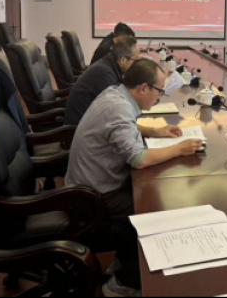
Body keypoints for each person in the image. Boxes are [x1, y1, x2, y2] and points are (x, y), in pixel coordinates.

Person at [66, 59, 203, 297]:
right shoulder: (118, 108)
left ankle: (123, 261)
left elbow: (121, 127)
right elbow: (139, 159)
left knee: (149, 194)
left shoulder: (115, 93)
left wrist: (154, 131)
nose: (159, 97)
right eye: (159, 91)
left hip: (91, 183)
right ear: (143, 88)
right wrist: (179, 149)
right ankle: (122, 284)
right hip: (93, 195)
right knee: (156, 212)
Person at [65, 37, 139, 126]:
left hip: (89, 120)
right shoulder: (104, 74)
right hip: (80, 127)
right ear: (123, 60)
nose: (137, 64)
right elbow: (116, 110)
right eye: (136, 60)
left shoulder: (109, 64)